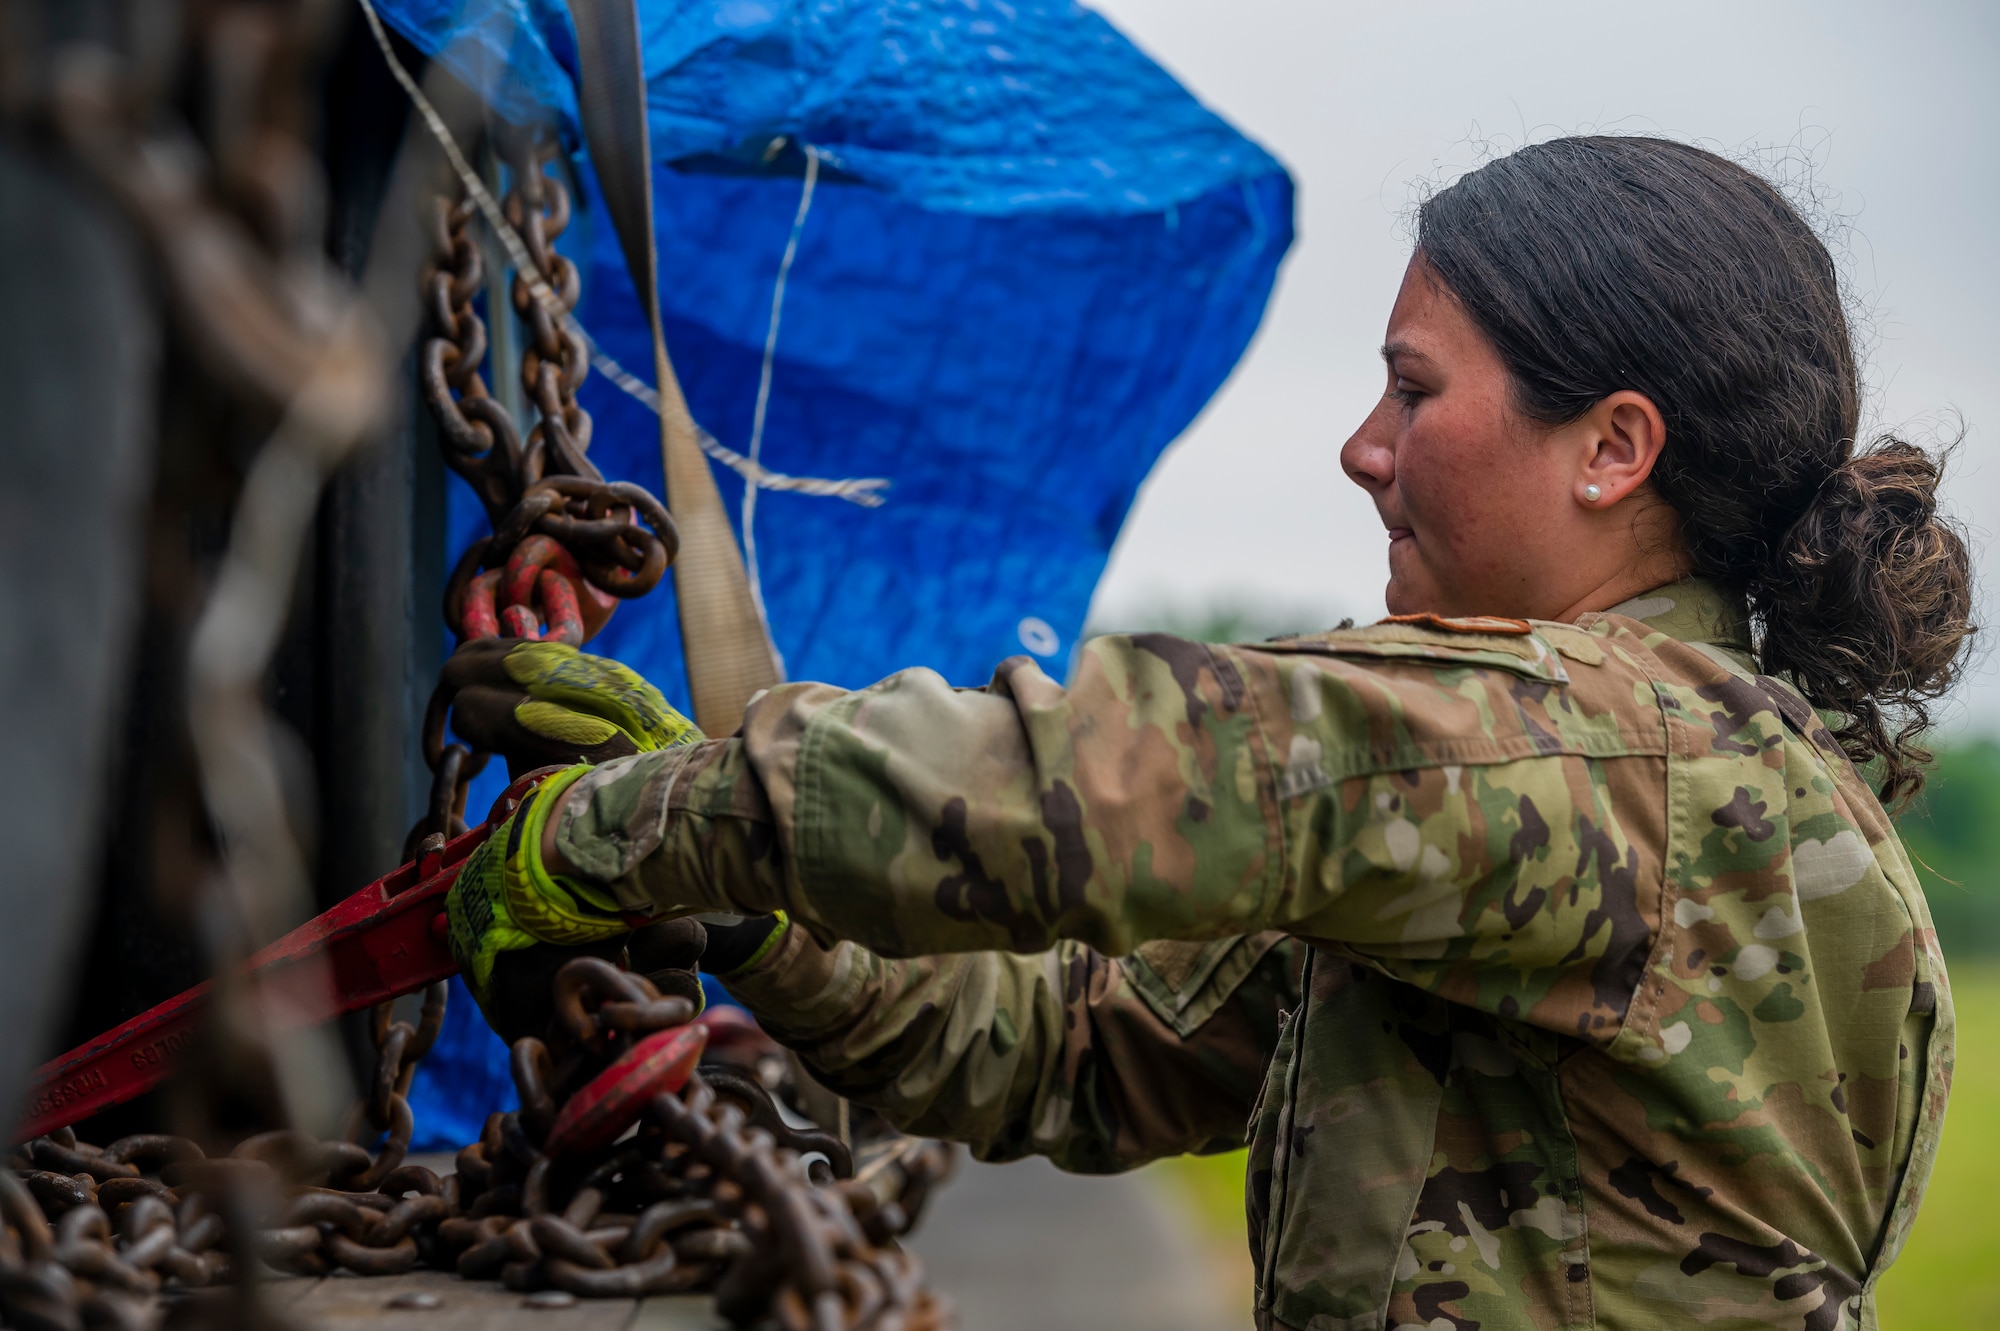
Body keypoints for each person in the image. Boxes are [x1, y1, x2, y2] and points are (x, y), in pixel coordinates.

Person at [442, 136, 1973, 1330]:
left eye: (1413, 390)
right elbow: (1082, 1048)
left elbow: (1096, 777)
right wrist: (750, 907)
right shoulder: (1664, 786)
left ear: (1614, 449)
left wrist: (627, 824)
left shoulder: (1592, 757)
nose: (1365, 448)